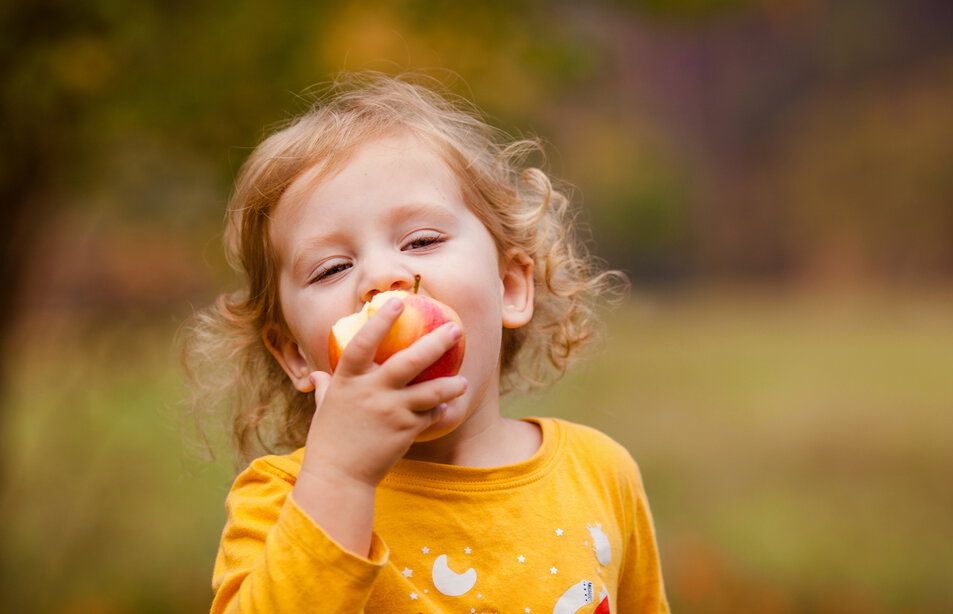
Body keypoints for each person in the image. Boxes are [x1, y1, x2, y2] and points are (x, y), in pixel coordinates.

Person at [186, 72, 669, 613]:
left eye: (421, 240)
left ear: (509, 286)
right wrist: (341, 476)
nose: (380, 276)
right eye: (332, 268)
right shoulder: (280, 501)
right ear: (296, 353)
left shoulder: (600, 473)